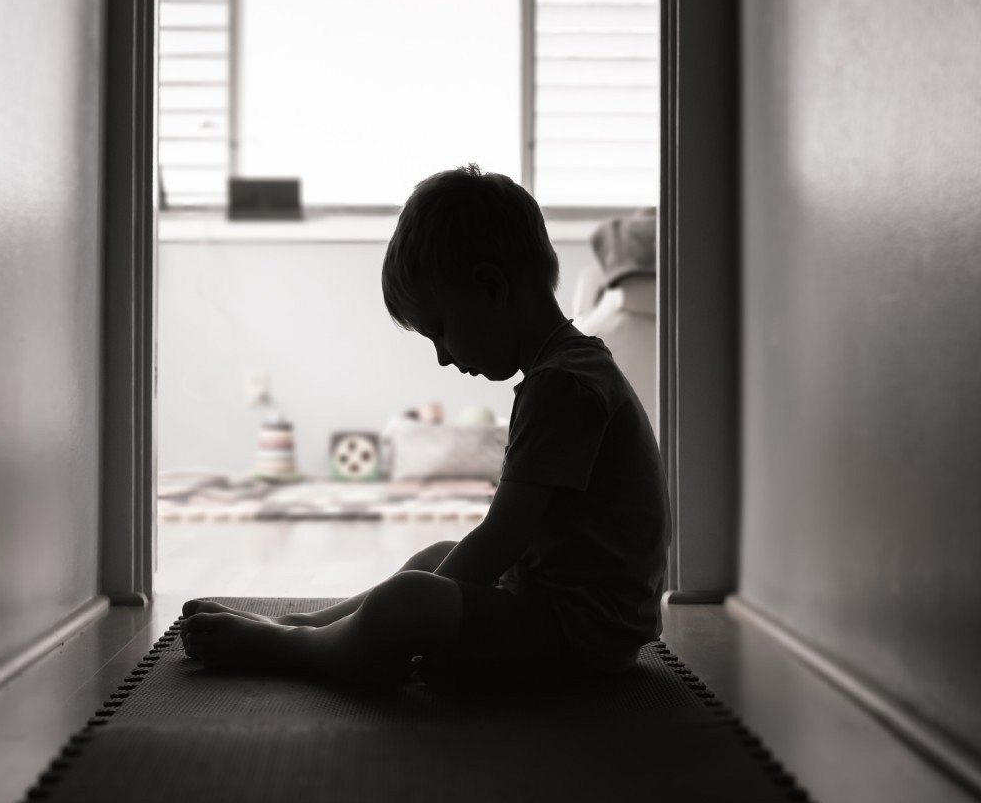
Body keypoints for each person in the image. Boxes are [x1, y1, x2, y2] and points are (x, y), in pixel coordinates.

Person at [181, 165, 670, 685]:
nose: (442, 357)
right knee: (434, 559)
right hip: (567, 614)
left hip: (580, 638)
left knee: (411, 598)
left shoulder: (564, 386)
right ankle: (304, 625)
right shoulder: (569, 370)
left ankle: (295, 647)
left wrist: (421, 614)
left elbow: (503, 537)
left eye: (440, 331)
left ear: (491, 287)